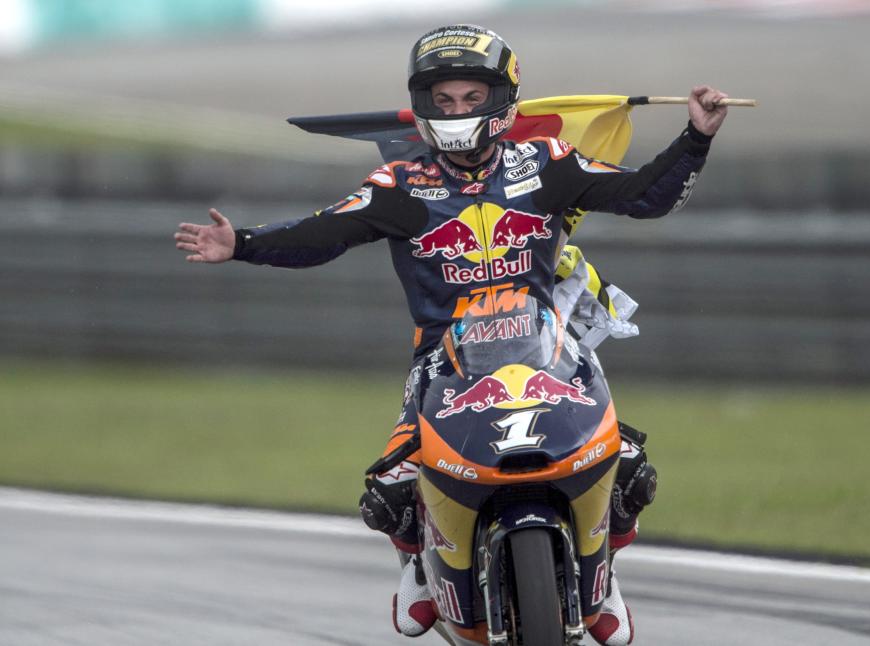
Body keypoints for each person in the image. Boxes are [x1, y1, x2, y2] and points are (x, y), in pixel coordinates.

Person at [175, 24, 727, 645]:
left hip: (547, 345)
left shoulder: (548, 163)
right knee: (388, 489)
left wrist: (695, 138)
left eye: (470, 97)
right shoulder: (401, 186)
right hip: (444, 362)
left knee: (628, 467)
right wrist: (243, 244)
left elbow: (642, 196)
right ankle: (415, 561)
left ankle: (602, 574)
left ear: (501, 98)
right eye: (444, 100)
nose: (457, 111)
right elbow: (318, 235)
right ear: (424, 106)